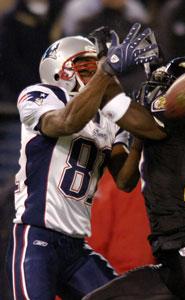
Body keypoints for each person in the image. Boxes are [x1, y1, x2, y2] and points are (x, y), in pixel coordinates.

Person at [5, 23, 161, 300]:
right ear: (60, 71)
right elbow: (66, 122)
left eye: (95, 67)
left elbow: (125, 181)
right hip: (37, 237)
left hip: (77, 247)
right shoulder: (41, 95)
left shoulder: (106, 117)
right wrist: (107, 71)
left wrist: (138, 136)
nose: (95, 74)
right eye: (86, 67)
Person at [82, 55, 185, 299]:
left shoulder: (183, 122)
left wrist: (106, 71)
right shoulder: (171, 129)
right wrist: (125, 139)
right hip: (171, 258)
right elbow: (124, 181)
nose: (153, 91)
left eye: (163, 85)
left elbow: (126, 112)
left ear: (184, 94)